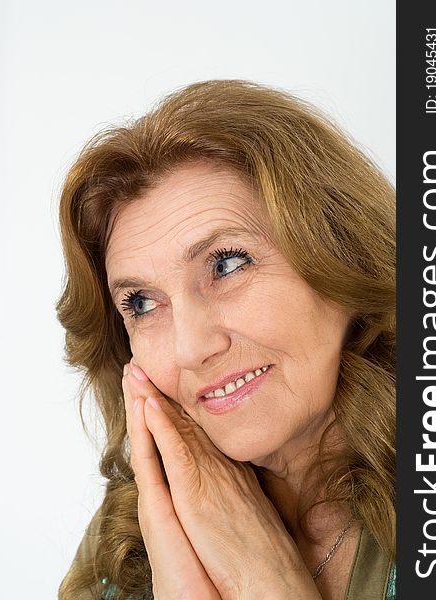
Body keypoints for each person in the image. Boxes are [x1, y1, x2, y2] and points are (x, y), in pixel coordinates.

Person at [56, 79, 395, 600]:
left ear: (343, 257)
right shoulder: (128, 533)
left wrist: (268, 584)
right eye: (141, 303)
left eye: (227, 264)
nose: (191, 348)